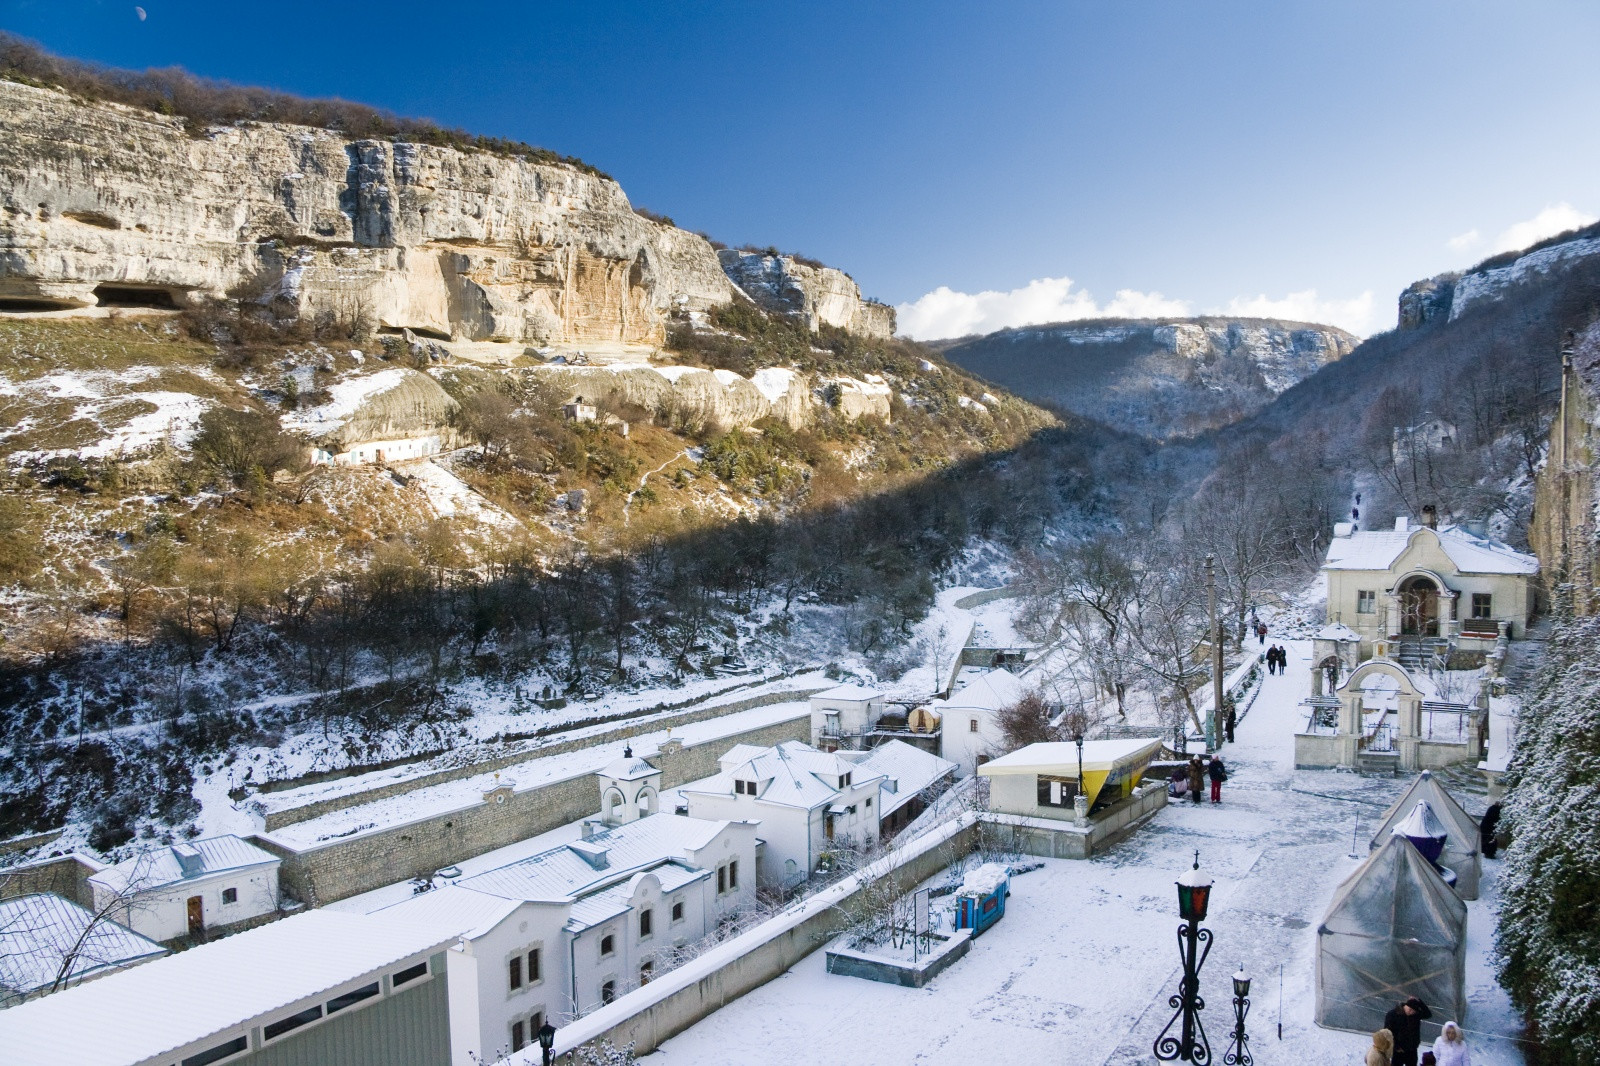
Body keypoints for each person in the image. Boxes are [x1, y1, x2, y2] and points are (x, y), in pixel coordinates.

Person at [1383, 996, 1433, 1066]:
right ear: (1405, 1005)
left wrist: (1419, 1001)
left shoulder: (1415, 1015)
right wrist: (1395, 1046)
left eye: (1413, 1011)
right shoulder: (1392, 1014)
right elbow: (1387, 1032)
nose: (1411, 1012)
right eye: (1409, 1009)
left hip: (1411, 1049)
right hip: (1398, 1050)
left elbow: (1428, 1014)